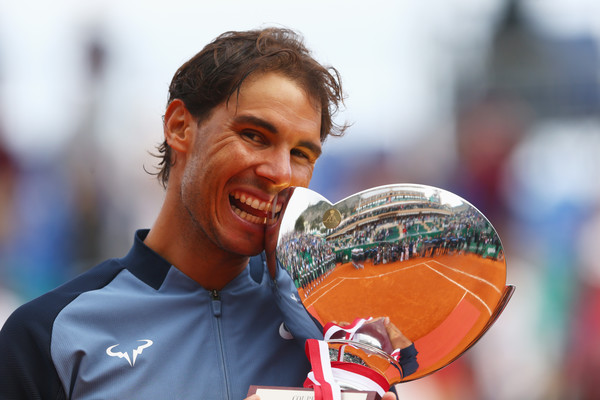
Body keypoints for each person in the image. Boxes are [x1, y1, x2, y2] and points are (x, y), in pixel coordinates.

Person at [0, 28, 399, 400]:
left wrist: (327, 341)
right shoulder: (51, 334)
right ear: (179, 128)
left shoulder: (345, 327)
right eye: (254, 136)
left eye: (300, 154)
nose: (279, 174)